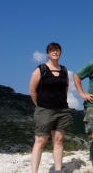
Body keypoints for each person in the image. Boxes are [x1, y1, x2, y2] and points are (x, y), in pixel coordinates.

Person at [29, 42, 71, 173]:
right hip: (45, 109)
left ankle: (58, 170)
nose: (55, 52)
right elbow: (32, 90)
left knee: (58, 140)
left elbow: (66, 89)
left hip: (62, 110)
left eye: (57, 50)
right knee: (40, 141)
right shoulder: (40, 69)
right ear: (47, 53)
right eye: (52, 50)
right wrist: (39, 106)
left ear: (60, 53)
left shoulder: (64, 70)